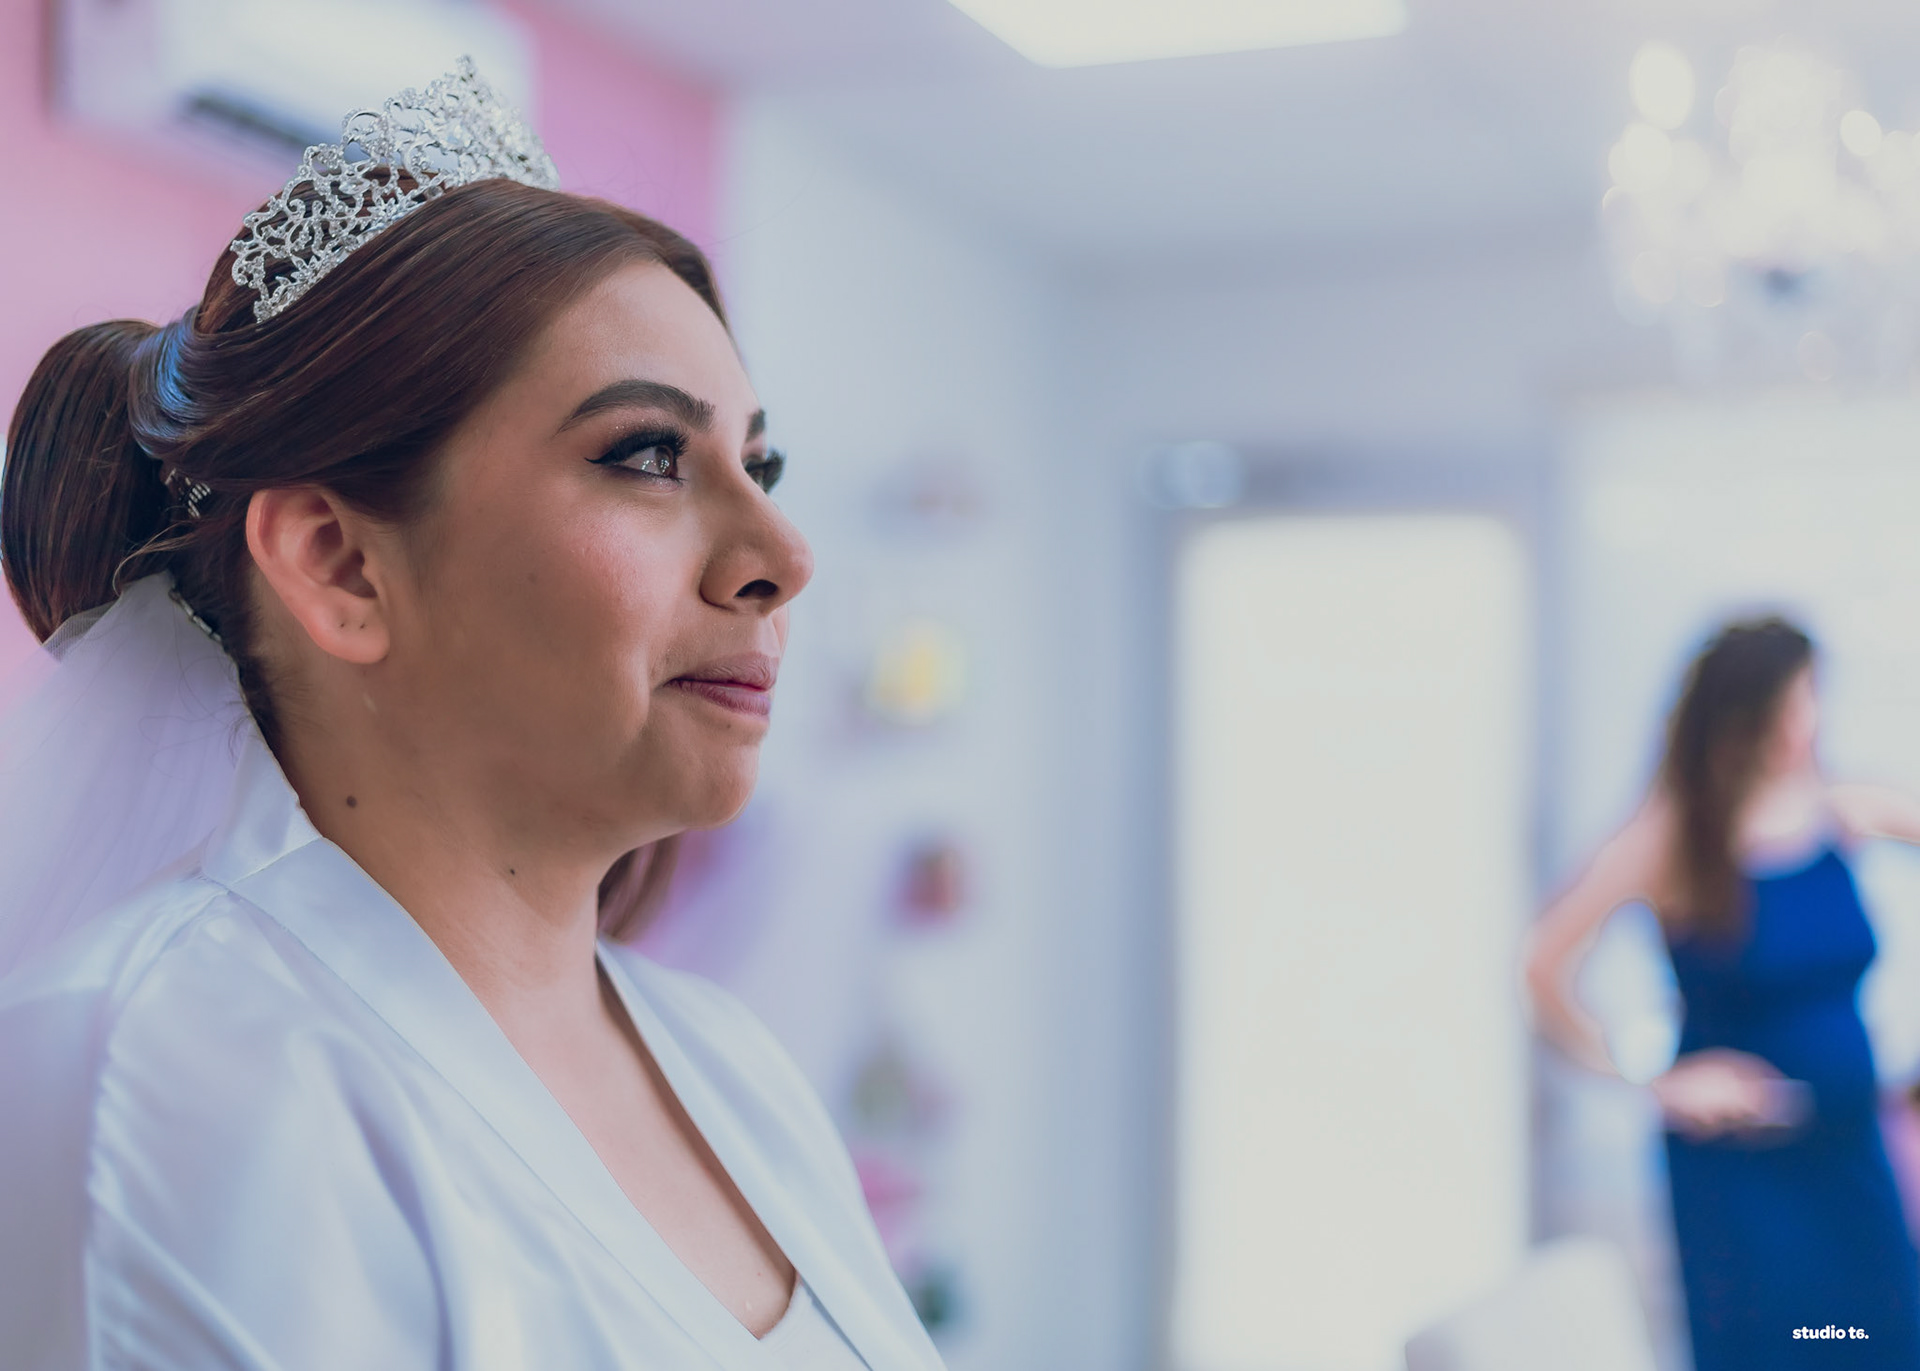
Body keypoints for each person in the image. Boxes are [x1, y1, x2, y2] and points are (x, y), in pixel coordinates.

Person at [0, 61, 941, 1370]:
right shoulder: (169, 1077)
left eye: (759, 463)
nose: (782, 554)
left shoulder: (735, 1067)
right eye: (648, 456)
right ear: (339, 564)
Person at [1526, 617, 1920, 1370]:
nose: (1809, 722)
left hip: (1848, 1151)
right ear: (1747, 712)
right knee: (1782, 1351)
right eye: (1794, 702)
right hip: (1742, 1177)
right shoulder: (1673, 838)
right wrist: (1652, 1073)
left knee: (1877, 1342)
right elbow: (1542, 965)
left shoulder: (1842, 811)